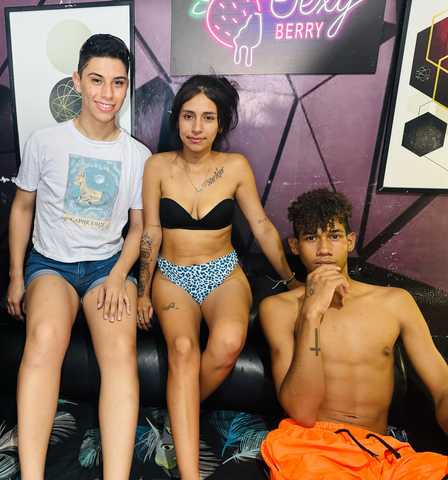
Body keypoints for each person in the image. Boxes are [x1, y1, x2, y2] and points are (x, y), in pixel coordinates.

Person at [136, 75, 297, 480]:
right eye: (188, 116)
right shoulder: (157, 166)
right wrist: (143, 291)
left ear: (221, 123)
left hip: (223, 273)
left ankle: (178, 411)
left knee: (227, 343)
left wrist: (293, 280)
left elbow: (261, 226)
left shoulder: (235, 166)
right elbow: (150, 232)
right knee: (183, 349)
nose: (196, 127)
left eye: (207, 118)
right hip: (172, 275)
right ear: (177, 119)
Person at [6, 34, 150, 480]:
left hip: (109, 267)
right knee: (44, 338)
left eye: (118, 82)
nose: (107, 93)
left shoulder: (137, 155)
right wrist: (16, 275)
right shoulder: (45, 142)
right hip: (51, 265)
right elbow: (22, 208)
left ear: (127, 87)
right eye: (97, 80)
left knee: (120, 351)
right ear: (78, 81)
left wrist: (120, 276)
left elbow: (139, 228)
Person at [260, 188, 448, 479]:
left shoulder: (395, 302)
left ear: (350, 241)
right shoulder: (278, 309)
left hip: (382, 452)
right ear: (295, 246)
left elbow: (443, 387)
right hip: (312, 448)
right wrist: (312, 313)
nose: (324, 249)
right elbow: (303, 411)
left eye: (334, 236)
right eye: (311, 238)